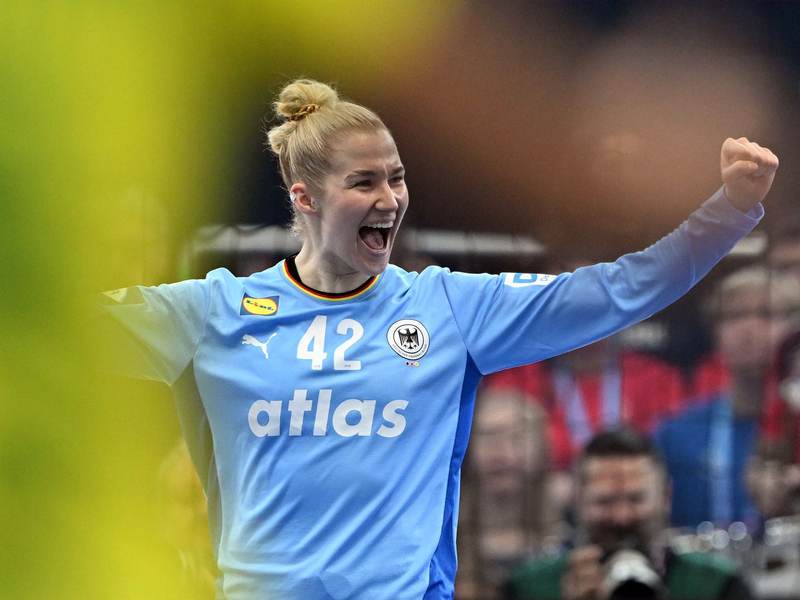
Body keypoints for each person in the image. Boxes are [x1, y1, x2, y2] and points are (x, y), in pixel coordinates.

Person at [97, 78, 777, 599]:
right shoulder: (214, 311)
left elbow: (613, 291)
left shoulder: (447, 306)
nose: (390, 199)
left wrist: (728, 213)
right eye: (363, 182)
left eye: (396, 178)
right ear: (304, 198)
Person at [505, 428, 755, 600]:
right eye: (604, 501)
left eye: (636, 499)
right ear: (577, 501)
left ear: (665, 497)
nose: (622, 517)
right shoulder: (529, 588)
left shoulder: (717, 586)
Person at [655, 267, 800, 529]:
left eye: (767, 314)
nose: (749, 328)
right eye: (734, 316)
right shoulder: (676, 433)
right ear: (715, 333)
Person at [456, 387, 552, 599]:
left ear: (541, 446)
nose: (500, 452)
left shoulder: (567, 527)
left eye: (516, 437)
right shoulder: (442, 533)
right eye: (487, 437)